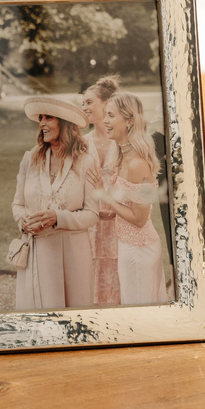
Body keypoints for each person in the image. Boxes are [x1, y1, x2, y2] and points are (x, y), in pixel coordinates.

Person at [12, 95, 99, 310]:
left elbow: (92, 214)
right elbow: (17, 204)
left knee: (74, 320)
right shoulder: (29, 159)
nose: (41, 123)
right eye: (41, 118)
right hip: (36, 253)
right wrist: (23, 222)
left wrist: (57, 218)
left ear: (65, 122)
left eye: (48, 117)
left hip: (72, 255)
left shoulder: (86, 162)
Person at [94, 92, 168, 306]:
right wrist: (107, 213)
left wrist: (105, 196)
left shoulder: (137, 164)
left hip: (140, 252)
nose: (104, 121)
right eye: (105, 115)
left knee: (141, 316)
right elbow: (129, 207)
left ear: (129, 121)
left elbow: (139, 218)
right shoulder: (122, 155)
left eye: (110, 116)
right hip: (128, 247)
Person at [82, 76, 121, 306]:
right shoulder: (82, 143)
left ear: (106, 104)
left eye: (89, 102)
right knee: (91, 277)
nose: (85, 108)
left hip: (121, 224)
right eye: (83, 104)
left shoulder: (124, 141)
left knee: (119, 276)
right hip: (91, 225)